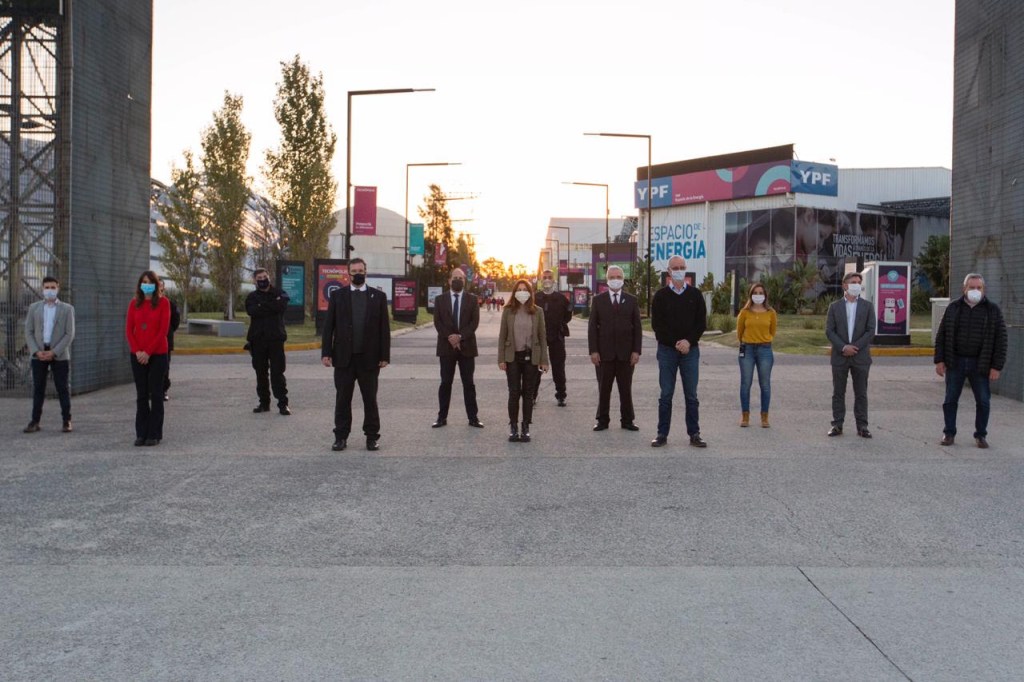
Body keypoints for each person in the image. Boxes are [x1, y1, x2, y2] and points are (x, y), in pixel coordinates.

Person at [321, 258, 390, 452]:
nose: (358, 273)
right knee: (342, 399)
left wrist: (385, 355)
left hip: (369, 359)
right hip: (344, 358)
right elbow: (329, 327)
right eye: (354, 271)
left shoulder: (378, 296)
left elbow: (384, 328)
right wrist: (326, 352)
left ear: (366, 272)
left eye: (361, 270)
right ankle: (340, 437)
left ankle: (371, 437)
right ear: (348, 273)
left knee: (370, 400)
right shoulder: (338, 296)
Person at [934, 273, 1008, 448]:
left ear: (984, 290)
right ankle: (949, 433)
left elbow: (1001, 340)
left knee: (983, 401)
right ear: (964, 289)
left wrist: (996, 366)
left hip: (980, 364)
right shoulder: (953, 308)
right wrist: (939, 360)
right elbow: (942, 335)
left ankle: (980, 435)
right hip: (956, 362)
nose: (975, 291)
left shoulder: (992, 310)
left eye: (979, 288)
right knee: (950, 400)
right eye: (971, 287)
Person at [650, 255, 708, 448]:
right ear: (669, 271)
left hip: (690, 351)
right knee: (666, 393)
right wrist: (676, 342)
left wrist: (688, 342)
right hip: (667, 351)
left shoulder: (696, 295)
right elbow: (657, 326)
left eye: (682, 267)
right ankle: (662, 433)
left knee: (691, 395)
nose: (679, 270)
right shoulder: (660, 296)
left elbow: (701, 324)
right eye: (675, 267)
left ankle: (694, 433)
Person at [588, 266, 642, 431]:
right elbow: (592, 328)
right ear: (607, 280)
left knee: (626, 389)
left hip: (626, 354)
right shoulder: (598, 300)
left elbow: (637, 328)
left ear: (623, 279)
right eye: (612, 277)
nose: (615, 279)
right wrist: (594, 351)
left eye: (618, 276)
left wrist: (636, 351)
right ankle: (602, 420)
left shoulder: (631, 300)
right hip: (604, 354)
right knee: (604, 389)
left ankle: (627, 420)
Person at [825, 271, 875, 438]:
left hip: (860, 357)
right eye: (853, 282)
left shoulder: (868, 306)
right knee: (838, 392)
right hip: (840, 356)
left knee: (861, 392)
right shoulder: (834, 307)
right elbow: (830, 331)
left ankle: (862, 426)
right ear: (845, 285)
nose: (857, 285)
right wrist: (843, 347)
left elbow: (870, 331)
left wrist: (855, 347)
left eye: (859, 282)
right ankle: (837, 424)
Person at [23, 275, 76, 433]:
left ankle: (67, 420)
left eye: (53, 287)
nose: (50, 290)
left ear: (58, 289)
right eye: (47, 287)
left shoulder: (67, 309)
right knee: (38, 388)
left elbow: (69, 334)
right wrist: (36, 351)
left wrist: (54, 352)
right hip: (39, 353)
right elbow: (29, 331)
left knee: (62, 388)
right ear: (42, 289)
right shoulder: (34, 308)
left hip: (59, 355)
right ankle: (35, 421)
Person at [498, 279, 548, 442]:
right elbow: (502, 336)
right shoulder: (508, 311)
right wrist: (501, 358)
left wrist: (544, 360)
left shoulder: (537, 311)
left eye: (524, 289)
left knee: (528, 394)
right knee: (514, 392)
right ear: (514, 292)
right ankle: (513, 426)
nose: (521, 292)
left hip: (531, 358)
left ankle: (525, 426)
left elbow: (542, 337)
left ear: (530, 292)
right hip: (512, 357)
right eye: (518, 289)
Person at [432, 267, 483, 428]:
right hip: (446, 347)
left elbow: (474, 323)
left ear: (464, 281)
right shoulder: (440, 300)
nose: (457, 281)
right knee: (445, 383)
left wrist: (460, 337)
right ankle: (442, 417)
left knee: (469, 383)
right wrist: (451, 337)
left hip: (467, 347)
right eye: (454, 278)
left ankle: (473, 418)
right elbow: (437, 322)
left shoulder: (472, 299)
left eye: (460, 278)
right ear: (449, 280)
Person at [126, 271, 171, 447]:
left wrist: (148, 352)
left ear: (156, 285)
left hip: (157, 355)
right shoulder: (133, 304)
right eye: (143, 282)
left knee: (156, 393)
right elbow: (129, 331)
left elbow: (163, 331)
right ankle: (141, 433)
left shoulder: (163, 303)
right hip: (137, 355)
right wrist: (137, 351)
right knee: (141, 395)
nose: (147, 285)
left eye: (150, 282)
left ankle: (154, 433)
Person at [245, 268, 290, 415]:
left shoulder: (280, 293)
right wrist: (271, 306)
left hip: (276, 339)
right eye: (259, 277)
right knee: (261, 373)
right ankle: (264, 403)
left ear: (269, 277)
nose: (263, 279)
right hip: (257, 340)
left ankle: (283, 404)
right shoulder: (251, 297)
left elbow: (281, 306)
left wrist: (262, 307)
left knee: (278, 373)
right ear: (255, 280)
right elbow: (252, 311)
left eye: (265, 276)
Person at [736, 282, 778, 428]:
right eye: (756, 293)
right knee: (745, 384)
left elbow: (772, 331)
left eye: (761, 293)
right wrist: (746, 342)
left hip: (765, 350)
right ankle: (745, 416)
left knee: (765, 384)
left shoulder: (771, 312)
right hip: (747, 349)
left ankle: (764, 417)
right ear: (751, 294)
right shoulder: (745, 312)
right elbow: (739, 332)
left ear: (765, 295)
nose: (758, 295)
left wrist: (763, 340)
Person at [533, 269, 573, 407]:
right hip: (538, 339)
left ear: (554, 280)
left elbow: (568, 316)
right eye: (545, 277)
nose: (547, 280)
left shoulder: (561, 298)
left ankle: (561, 395)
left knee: (558, 368)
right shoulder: (535, 298)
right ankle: (532, 395)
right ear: (540, 279)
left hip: (556, 337)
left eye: (550, 277)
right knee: (536, 368)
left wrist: (560, 326)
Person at [159, 280, 180, 402]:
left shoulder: (170, 304)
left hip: (166, 341)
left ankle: (163, 389)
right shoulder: (148, 304)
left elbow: (175, 320)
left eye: (161, 286)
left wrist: (169, 330)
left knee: (165, 367)